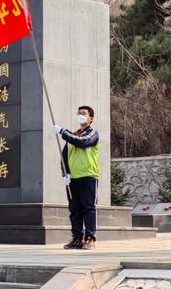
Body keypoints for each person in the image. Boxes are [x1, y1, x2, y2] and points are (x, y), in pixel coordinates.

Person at [51, 105, 100, 250]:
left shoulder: (92, 134)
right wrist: (65, 174)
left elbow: (82, 142)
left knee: (88, 208)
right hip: (73, 179)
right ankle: (77, 238)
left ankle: (90, 238)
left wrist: (62, 131)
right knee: (74, 209)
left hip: (88, 176)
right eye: (79, 113)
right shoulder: (72, 137)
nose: (80, 115)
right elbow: (64, 157)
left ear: (91, 118)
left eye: (84, 113)